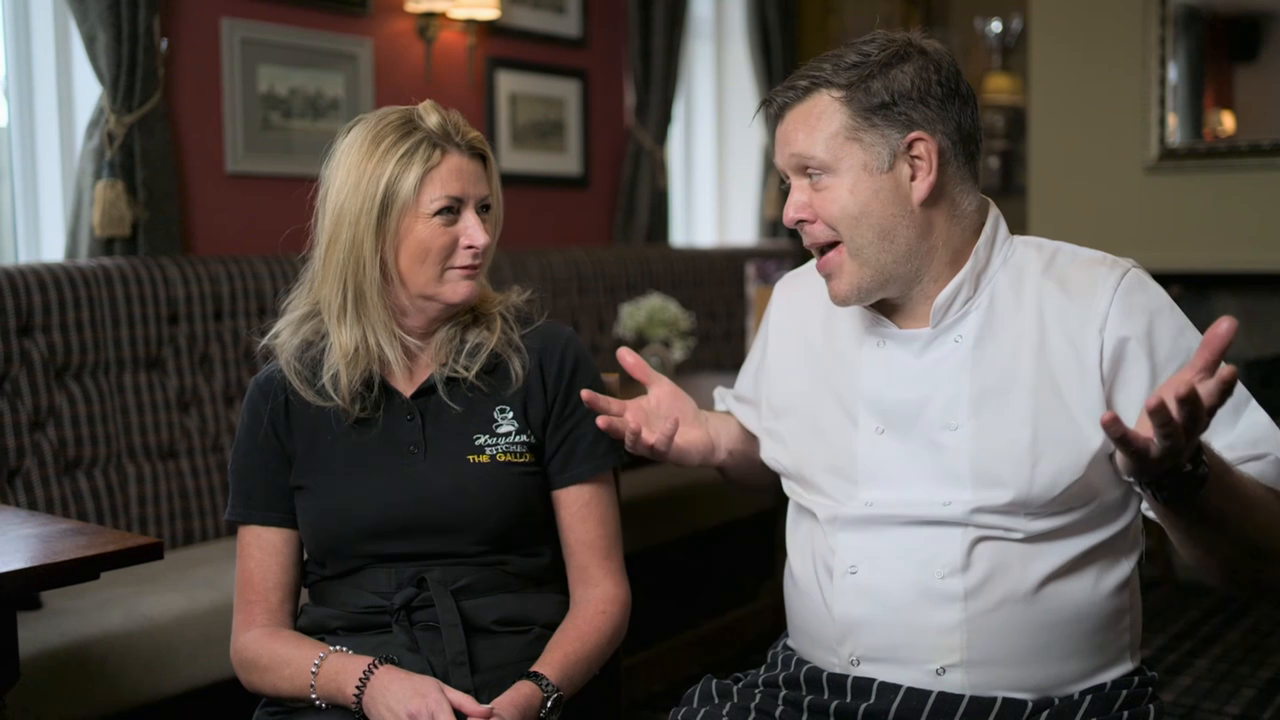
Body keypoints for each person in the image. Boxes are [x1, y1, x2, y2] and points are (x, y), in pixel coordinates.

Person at [582, 29, 1280, 720]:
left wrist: (1179, 476)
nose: (791, 210)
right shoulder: (796, 301)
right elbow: (770, 443)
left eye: (813, 174)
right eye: (787, 182)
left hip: (1047, 710)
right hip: (806, 692)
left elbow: (1263, 558)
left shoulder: (1102, 304)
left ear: (917, 165)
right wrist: (711, 436)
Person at [225, 99, 630, 720]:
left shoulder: (545, 360)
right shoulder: (284, 395)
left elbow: (603, 596)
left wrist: (529, 699)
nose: (481, 236)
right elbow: (255, 643)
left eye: (484, 209)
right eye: (449, 212)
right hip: (347, 692)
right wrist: (371, 684)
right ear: (373, 227)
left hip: (520, 682)